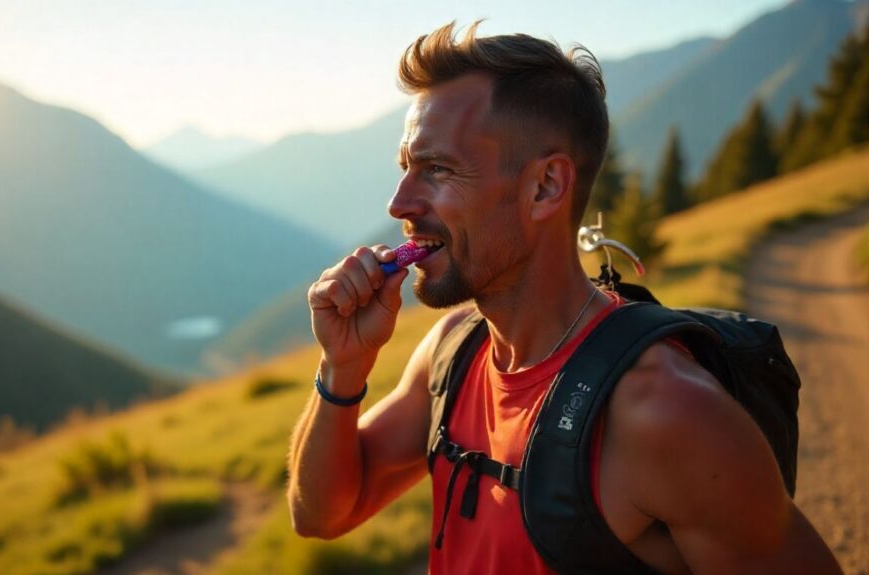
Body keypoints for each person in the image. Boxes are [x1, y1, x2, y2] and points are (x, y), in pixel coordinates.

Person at [287, 22, 840, 574]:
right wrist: (344, 365)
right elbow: (322, 515)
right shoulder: (452, 350)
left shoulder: (665, 412)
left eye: (438, 169)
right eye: (406, 167)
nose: (399, 202)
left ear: (546, 187)